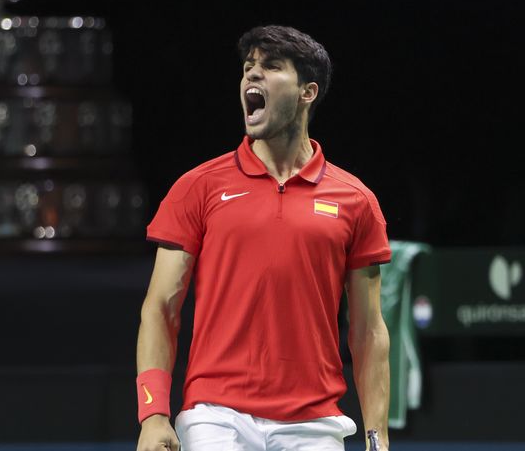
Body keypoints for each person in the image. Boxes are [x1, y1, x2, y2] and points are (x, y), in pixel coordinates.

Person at [136, 25, 392, 451]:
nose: (253, 76)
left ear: (307, 92)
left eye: (271, 67)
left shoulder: (355, 200)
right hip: (216, 417)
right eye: (248, 67)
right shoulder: (197, 187)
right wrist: (153, 414)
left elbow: (368, 330)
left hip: (315, 422)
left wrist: (376, 434)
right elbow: (160, 308)